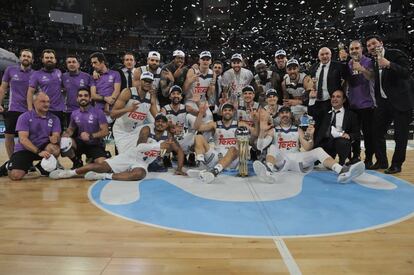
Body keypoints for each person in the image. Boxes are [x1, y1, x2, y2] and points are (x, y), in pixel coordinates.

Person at [49, 113, 187, 181]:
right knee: (100, 165)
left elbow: (179, 151)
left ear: (166, 125)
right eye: (158, 121)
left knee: (140, 174)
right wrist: (158, 146)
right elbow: (139, 147)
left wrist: (180, 168)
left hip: (142, 163)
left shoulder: (169, 138)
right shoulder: (146, 129)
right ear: (155, 122)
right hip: (131, 156)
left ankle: (104, 176)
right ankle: (69, 174)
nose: (160, 124)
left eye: (163, 122)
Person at [253, 106, 365, 183]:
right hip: (282, 160)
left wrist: (311, 136)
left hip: (298, 160)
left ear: (291, 115)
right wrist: (262, 131)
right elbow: (260, 147)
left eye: (287, 112)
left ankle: (342, 171)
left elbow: (307, 148)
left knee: (318, 150)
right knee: (272, 147)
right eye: (282, 113)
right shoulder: (274, 130)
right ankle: (268, 171)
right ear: (279, 116)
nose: (284, 115)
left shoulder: (298, 130)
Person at [365, 34, 414, 174]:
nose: (372, 47)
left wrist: (389, 64)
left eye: (374, 43)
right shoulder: (374, 61)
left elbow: (407, 72)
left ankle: (397, 164)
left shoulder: (395, 54)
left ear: (381, 43)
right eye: (368, 46)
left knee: (400, 136)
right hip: (384, 103)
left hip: (401, 102)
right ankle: (382, 161)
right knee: (377, 132)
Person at [1, 92, 61, 180]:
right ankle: (8, 165)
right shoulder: (24, 117)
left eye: (48, 102)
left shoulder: (54, 118)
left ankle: (42, 167)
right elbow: (23, 139)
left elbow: (56, 135)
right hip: (25, 149)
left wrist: (55, 139)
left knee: (54, 149)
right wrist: (38, 151)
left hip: (44, 148)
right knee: (15, 176)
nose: (46, 104)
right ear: (34, 102)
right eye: (43, 102)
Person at [187, 102, 240, 184]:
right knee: (198, 137)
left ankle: (215, 171)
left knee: (233, 148)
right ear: (222, 112)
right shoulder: (214, 124)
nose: (227, 112)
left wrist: (257, 122)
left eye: (230, 110)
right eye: (225, 110)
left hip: (231, 160)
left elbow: (255, 133)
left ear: (233, 112)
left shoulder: (240, 124)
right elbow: (197, 128)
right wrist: (200, 113)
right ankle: (200, 165)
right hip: (216, 157)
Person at [110, 71, 158, 153]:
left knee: (155, 126)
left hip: (135, 131)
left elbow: (158, 117)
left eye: (149, 81)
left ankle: (153, 158)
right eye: (145, 80)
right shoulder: (128, 92)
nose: (147, 83)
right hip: (121, 131)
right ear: (140, 81)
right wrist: (128, 109)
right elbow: (113, 114)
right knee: (125, 158)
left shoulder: (151, 97)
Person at [308, 90, 360, 165]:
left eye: (338, 97)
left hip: (339, 142)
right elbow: (311, 112)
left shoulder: (351, 115)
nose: (334, 99)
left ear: (344, 100)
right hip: (323, 143)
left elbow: (357, 133)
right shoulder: (324, 112)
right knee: (313, 164)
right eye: (333, 97)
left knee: (343, 143)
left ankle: (342, 163)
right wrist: (312, 99)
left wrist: (349, 135)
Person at [61, 88, 109, 168]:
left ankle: (94, 158)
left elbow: (105, 131)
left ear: (90, 98)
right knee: (64, 142)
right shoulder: (74, 113)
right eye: (80, 96)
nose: (83, 97)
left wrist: (91, 136)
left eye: (86, 96)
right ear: (77, 99)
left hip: (94, 144)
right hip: (80, 143)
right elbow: (71, 129)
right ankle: (76, 161)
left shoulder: (98, 112)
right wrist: (65, 135)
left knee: (101, 164)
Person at [346, 40, 376, 167]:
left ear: (361, 49)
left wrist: (362, 69)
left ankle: (369, 158)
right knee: (355, 135)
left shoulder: (369, 62)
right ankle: (356, 156)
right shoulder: (348, 64)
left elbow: (372, 77)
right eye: (351, 49)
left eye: (356, 48)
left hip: (368, 104)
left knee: (369, 134)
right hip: (353, 105)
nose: (354, 51)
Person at [0, 49, 34, 158]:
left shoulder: (35, 74)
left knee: (25, 138)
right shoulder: (10, 70)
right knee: (9, 136)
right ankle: (12, 160)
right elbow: (3, 88)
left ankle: (25, 160)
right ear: (20, 58)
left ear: (32, 60)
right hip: (13, 109)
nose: (26, 58)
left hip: (28, 110)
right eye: (24, 56)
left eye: (28, 56)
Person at [27, 49, 65, 128]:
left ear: (55, 60)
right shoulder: (36, 74)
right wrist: (30, 109)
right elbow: (30, 92)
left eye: (51, 58)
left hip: (58, 110)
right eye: (47, 58)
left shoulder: (59, 72)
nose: (49, 60)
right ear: (43, 60)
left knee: (57, 135)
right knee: (43, 135)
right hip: (43, 110)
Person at [309, 47, 348, 115]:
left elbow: (346, 78)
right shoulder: (313, 67)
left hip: (331, 101)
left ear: (330, 55)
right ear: (318, 56)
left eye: (327, 54)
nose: (325, 56)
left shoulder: (338, 66)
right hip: (316, 102)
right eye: (322, 54)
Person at [62, 55, 92, 128]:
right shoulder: (63, 76)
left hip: (84, 111)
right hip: (69, 111)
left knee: (85, 136)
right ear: (66, 65)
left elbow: (92, 93)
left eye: (74, 62)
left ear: (78, 64)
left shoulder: (87, 77)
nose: (71, 64)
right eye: (69, 62)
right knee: (71, 135)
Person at [90, 52, 121, 121]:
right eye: (92, 63)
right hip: (98, 111)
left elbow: (117, 91)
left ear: (102, 62)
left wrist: (108, 103)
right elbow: (93, 95)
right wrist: (105, 99)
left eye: (95, 62)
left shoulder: (115, 74)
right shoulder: (93, 77)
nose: (93, 65)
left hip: (114, 110)